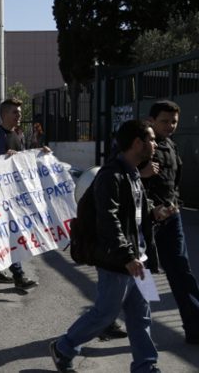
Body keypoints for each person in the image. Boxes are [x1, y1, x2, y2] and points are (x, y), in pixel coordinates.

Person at [50, 119, 172, 373]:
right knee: (104, 315)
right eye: (150, 139)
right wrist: (127, 256)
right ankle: (64, 347)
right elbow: (108, 220)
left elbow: (133, 215)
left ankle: (146, 366)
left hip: (140, 260)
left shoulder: (133, 174)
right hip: (120, 261)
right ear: (137, 143)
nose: (154, 144)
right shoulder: (111, 176)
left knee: (142, 316)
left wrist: (154, 213)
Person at [142, 100, 199, 345]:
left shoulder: (172, 146)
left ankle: (195, 328)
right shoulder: (139, 144)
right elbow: (121, 179)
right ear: (151, 121)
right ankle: (136, 325)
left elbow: (174, 182)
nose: (170, 126)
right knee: (140, 279)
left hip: (171, 219)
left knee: (181, 272)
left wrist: (173, 204)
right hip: (143, 224)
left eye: (174, 121)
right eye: (165, 121)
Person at [0, 98, 41, 289]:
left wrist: (40, 153)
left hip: (14, 194)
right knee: (8, 234)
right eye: (15, 112)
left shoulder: (19, 135)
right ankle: (18, 276)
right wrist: (4, 159)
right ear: (4, 114)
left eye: (19, 112)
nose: (19, 115)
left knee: (9, 234)